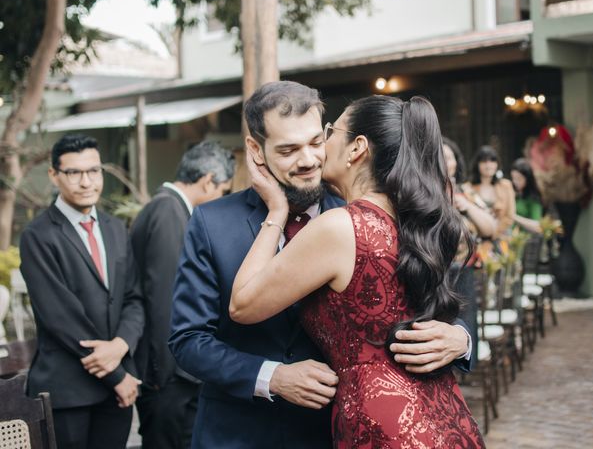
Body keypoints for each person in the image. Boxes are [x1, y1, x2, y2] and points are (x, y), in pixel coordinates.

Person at [169, 81, 474, 449]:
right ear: (256, 150)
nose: (309, 159)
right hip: (240, 433)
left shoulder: (356, 215)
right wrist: (272, 376)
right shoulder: (212, 222)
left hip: (336, 432)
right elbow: (188, 340)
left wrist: (461, 339)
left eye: (317, 141)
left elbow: (444, 295)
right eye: (288, 150)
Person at [19, 134, 144, 449]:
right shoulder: (38, 236)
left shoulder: (116, 228)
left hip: (115, 393)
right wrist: (117, 375)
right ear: (54, 175)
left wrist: (121, 344)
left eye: (94, 170)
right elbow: (61, 318)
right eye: (74, 173)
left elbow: (132, 298)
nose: (87, 181)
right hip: (68, 391)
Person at [130, 141, 234, 449]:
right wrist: (167, 369)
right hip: (168, 372)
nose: (221, 199)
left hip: (171, 370)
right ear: (207, 180)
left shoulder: (167, 207)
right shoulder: (167, 210)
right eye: (223, 190)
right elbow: (164, 296)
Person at [443, 137, 497, 367]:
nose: (445, 162)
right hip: (438, 276)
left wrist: (465, 206)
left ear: (456, 162)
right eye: (439, 157)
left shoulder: (465, 193)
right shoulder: (424, 193)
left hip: (463, 274)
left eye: (449, 157)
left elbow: (490, 228)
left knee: (464, 338)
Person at [466, 145, 516, 239]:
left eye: (493, 161)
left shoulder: (506, 186)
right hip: (477, 240)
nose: (489, 165)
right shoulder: (469, 188)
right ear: (477, 164)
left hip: (502, 239)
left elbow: (510, 216)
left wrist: (493, 233)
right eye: (484, 161)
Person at [511, 157, 543, 234]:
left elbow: (537, 226)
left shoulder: (533, 198)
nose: (515, 182)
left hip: (526, 240)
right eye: (513, 178)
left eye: (519, 178)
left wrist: (514, 217)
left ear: (527, 178)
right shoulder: (515, 193)